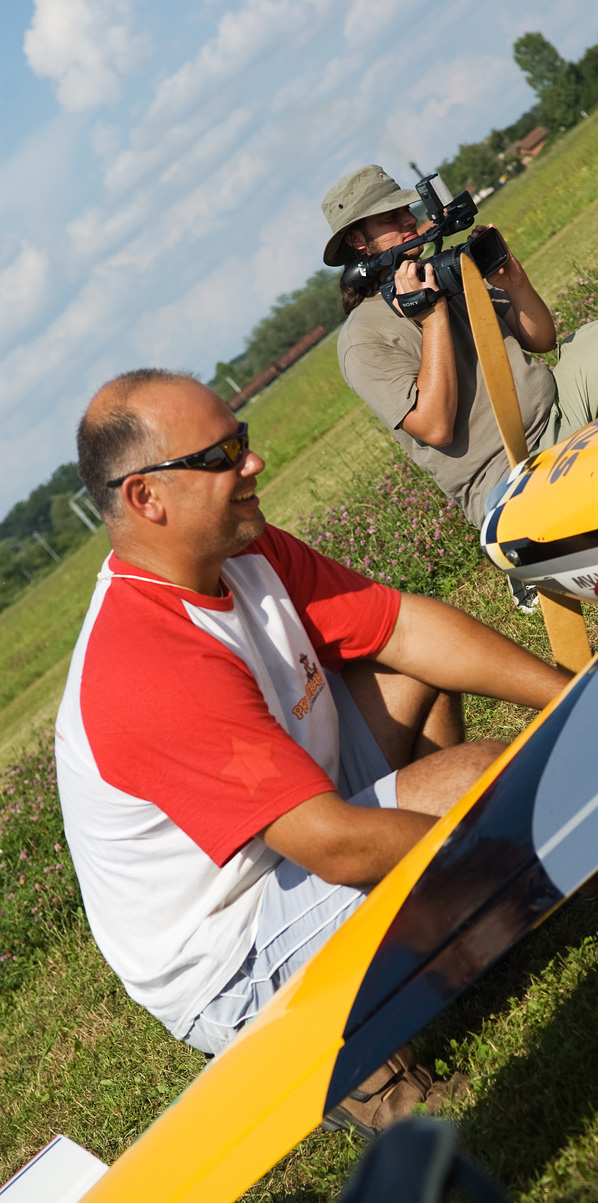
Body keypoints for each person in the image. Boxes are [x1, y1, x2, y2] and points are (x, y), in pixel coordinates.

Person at [55, 369, 568, 1128]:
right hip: (231, 946)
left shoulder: (243, 551)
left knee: (412, 678)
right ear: (146, 497)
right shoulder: (144, 663)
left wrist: (575, 697)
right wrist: (512, 848)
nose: (252, 461)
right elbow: (333, 845)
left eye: (242, 438)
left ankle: (450, 936)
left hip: (297, 823)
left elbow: (405, 630)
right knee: (482, 782)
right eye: (221, 455)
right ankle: (350, 1045)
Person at [322, 166, 598, 536]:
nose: (410, 220)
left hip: (560, 411)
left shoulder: (441, 270)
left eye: (407, 209)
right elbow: (435, 428)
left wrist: (515, 282)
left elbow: (540, 340)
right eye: (390, 217)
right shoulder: (362, 338)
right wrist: (434, 318)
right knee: (574, 508)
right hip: (507, 475)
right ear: (358, 241)